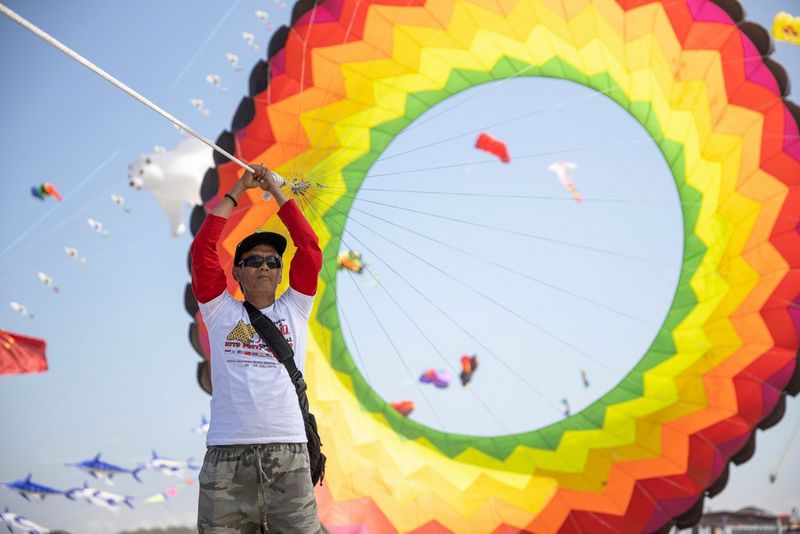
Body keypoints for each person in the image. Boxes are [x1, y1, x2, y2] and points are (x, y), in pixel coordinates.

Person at [190, 163, 324, 533]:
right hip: (226, 458)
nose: (264, 266)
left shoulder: (296, 306)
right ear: (237, 272)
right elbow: (202, 251)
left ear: (281, 272)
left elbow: (310, 249)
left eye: (272, 261)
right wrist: (238, 190)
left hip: (288, 454)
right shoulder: (219, 311)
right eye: (252, 261)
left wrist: (278, 192)